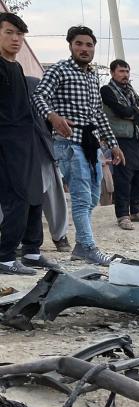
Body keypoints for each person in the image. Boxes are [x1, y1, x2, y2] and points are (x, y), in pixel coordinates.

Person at [32, 25, 126, 266]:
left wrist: (113, 144)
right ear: (70, 46)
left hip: (90, 143)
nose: (84, 49)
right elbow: (38, 96)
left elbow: (98, 113)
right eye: (79, 44)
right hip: (68, 143)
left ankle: (81, 246)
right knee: (83, 198)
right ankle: (87, 246)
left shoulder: (92, 76)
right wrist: (52, 116)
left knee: (94, 197)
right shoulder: (60, 70)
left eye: (89, 45)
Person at [0, 13, 59, 274]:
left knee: (35, 194)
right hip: (7, 142)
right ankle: (5, 257)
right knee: (17, 197)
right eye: (9, 32)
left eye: (20, 34)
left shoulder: (17, 67)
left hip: (28, 140)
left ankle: (32, 251)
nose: (16, 39)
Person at [100, 59, 139, 230]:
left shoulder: (131, 91)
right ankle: (123, 215)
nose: (125, 75)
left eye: (127, 72)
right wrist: (135, 112)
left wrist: (134, 113)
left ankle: (136, 211)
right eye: (121, 71)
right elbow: (119, 111)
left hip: (138, 138)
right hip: (121, 138)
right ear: (113, 72)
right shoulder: (107, 90)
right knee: (124, 178)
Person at [22, 76, 69, 252]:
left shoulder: (34, 83)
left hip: (41, 147)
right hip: (12, 152)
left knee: (52, 193)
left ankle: (60, 235)